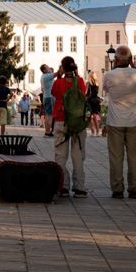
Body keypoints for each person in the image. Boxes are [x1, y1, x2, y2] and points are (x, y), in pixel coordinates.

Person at [104, 45, 136, 198]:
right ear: (130, 59)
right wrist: (133, 66)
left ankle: (117, 189)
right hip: (134, 120)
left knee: (116, 156)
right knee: (135, 155)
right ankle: (134, 188)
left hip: (115, 121)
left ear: (115, 59)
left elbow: (107, 90)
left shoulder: (109, 75)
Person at [50, 56, 87, 198]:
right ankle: (80, 188)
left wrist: (60, 75)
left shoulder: (58, 83)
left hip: (60, 120)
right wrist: (76, 75)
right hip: (77, 123)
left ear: (63, 68)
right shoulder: (81, 82)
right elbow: (83, 93)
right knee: (78, 156)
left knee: (61, 155)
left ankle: (63, 186)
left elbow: (53, 93)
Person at [39, 64, 55, 138]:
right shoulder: (48, 76)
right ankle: (48, 132)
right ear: (44, 70)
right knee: (50, 116)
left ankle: (47, 131)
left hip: (46, 97)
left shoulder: (43, 77)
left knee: (47, 115)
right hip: (50, 97)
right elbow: (57, 73)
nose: (49, 68)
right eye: (47, 67)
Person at [86, 71, 102, 135]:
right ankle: (97, 132)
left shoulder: (88, 83)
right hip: (96, 101)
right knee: (95, 116)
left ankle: (92, 131)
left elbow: (85, 92)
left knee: (90, 117)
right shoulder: (96, 84)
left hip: (90, 100)